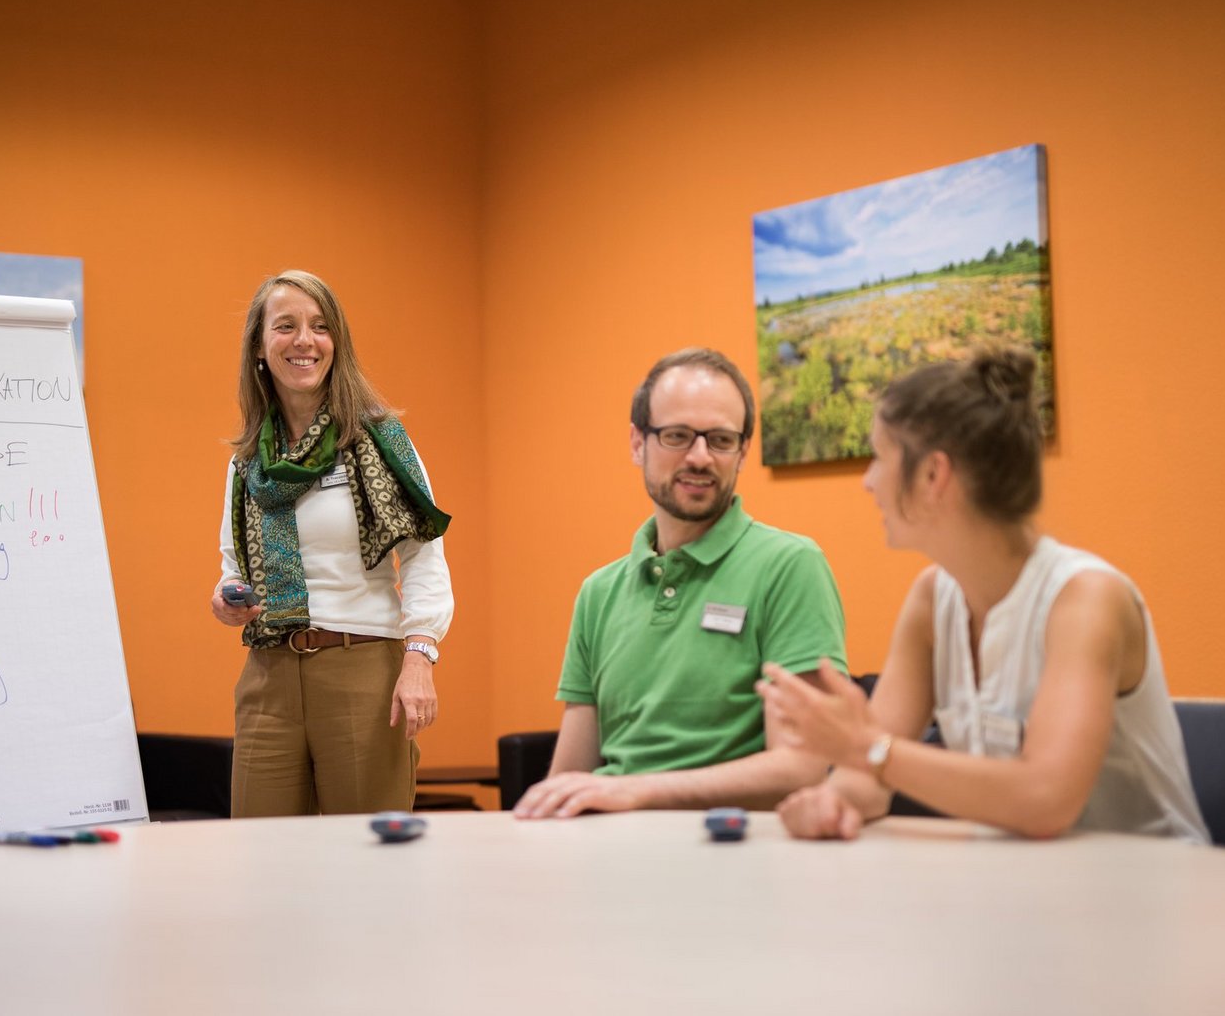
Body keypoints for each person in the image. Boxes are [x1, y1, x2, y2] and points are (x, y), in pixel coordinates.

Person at [758, 347, 1208, 842]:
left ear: (933, 476)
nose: (868, 482)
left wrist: (866, 748)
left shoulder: (1086, 600)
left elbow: (1046, 800)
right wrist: (832, 801)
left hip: (1144, 894)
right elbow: (866, 779)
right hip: (1026, 890)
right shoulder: (932, 601)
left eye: (879, 458)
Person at [514, 347, 847, 819]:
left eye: (721, 439)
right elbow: (570, 776)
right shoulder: (598, 592)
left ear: (744, 452)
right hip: (609, 848)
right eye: (676, 436)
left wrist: (638, 791)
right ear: (637, 443)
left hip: (730, 847)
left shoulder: (790, 565)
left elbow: (802, 767)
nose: (699, 457)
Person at [211, 269, 454, 817]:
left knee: (366, 868)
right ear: (259, 344)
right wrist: (229, 597)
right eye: (286, 326)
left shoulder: (378, 439)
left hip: (361, 669)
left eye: (321, 327)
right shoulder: (248, 460)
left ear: (336, 343)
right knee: (264, 859)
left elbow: (422, 554)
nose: (304, 340)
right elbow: (233, 567)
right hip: (268, 675)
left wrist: (419, 657)